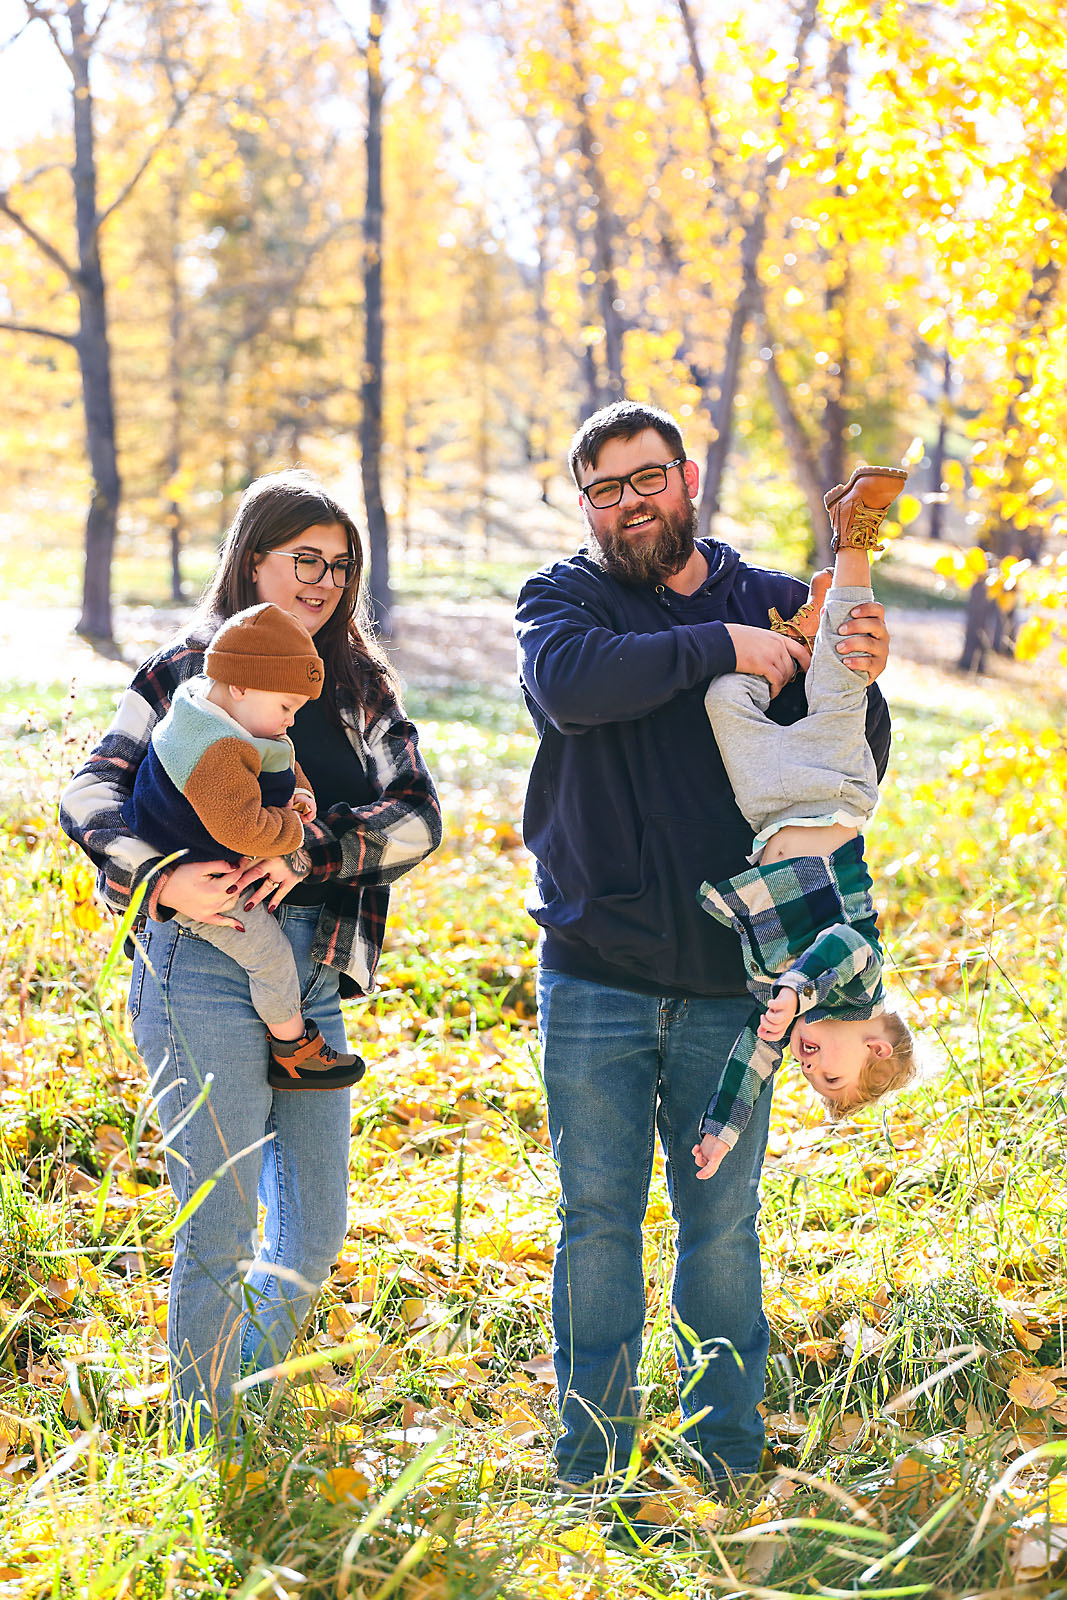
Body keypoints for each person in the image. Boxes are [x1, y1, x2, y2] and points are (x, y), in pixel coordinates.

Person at [514, 401, 892, 1493]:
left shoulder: (775, 595)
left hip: (737, 979)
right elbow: (571, 687)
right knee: (595, 1221)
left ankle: (722, 1451)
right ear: (587, 505)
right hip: (594, 968)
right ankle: (588, 1457)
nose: (627, 502)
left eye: (645, 479)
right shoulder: (566, 598)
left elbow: (847, 749)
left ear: (687, 477)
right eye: (603, 489)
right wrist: (721, 648)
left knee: (719, 1225)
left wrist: (859, 663)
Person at [61, 470, 441, 1446]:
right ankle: (208, 1449)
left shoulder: (358, 686)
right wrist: (160, 878)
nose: (321, 580)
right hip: (197, 961)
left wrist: (310, 850)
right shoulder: (185, 673)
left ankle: (241, 1407)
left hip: (311, 973)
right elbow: (92, 791)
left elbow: (418, 817)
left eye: (338, 565)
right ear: (252, 556)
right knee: (220, 1226)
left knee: (311, 1235)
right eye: (301, 558)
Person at [693, 467, 917, 1183]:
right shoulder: (858, 982)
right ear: (874, 1046)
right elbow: (837, 943)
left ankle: (796, 633)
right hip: (836, 790)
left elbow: (750, 1065)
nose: (803, 1066)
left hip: (768, 806)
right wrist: (795, 987)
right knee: (845, 675)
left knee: (727, 695)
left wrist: (719, 1134)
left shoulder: (784, 1010)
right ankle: (855, 533)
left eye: (808, 1078)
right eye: (827, 1078)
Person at [121, 600, 366, 1091]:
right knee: (268, 955)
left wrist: (293, 790)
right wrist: (293, 832)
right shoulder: (212, 748)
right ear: (240, 685)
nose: (291, 721)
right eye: (286, 707)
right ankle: (295, 1050)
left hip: (210, 861)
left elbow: (274, 759)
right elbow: (245, 830)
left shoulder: (210, 706)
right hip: (205, 888)